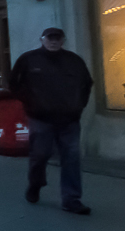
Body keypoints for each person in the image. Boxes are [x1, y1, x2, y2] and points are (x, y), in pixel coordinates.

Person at [10, 27, 94, 215]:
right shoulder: (29, 59)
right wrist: (30, 103)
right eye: (50, 38)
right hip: (41, 119)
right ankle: (35, 183)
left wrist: (78, 106)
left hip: (69, 120)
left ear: (63, 40)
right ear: (42, 39)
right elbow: (13, 83)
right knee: (40, 155)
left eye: (57, 39)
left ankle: (71, 199)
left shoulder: (74, 61)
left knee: (71, 159)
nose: (54, 42)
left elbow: (87, 84)